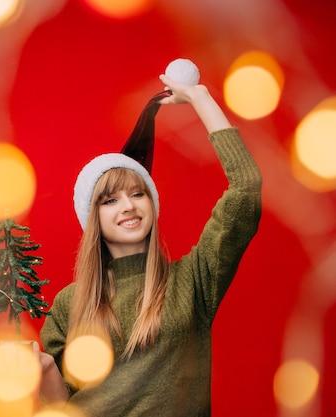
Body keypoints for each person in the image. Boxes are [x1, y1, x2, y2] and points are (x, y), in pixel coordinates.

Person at [34, 73, 263, 416]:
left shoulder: (194, 279)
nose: (128, 206)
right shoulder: (70, 303)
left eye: (137, 193)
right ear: (91, 218)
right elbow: (59, 407)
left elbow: (246, 188)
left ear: (151, 203)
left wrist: (200, 98)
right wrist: (44, 369)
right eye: (109, 200)